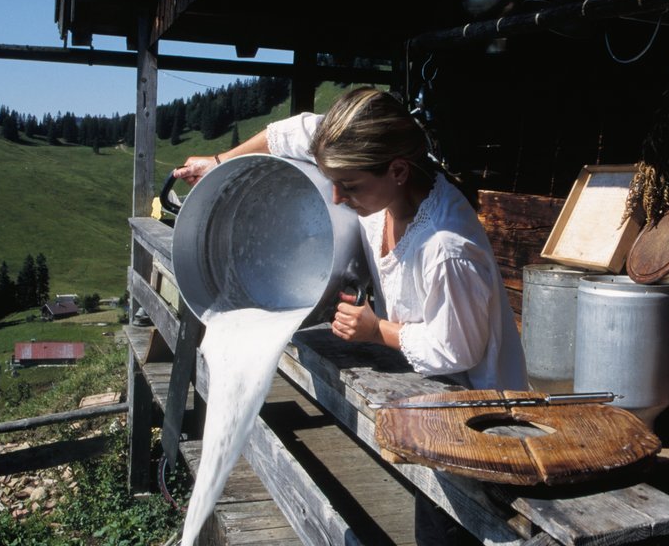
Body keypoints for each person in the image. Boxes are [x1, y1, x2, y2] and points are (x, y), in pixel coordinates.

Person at [173, 86, 528, 544]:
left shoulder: (444, 247)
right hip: (430, 401)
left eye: (351, 185)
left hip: (477, 419)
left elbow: (456, 348)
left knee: (454, 529)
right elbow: (294, 132)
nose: (337, 197)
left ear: (398, 170)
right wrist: (220, 162)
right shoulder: (373, 161)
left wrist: (377, 329)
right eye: (332, 181)